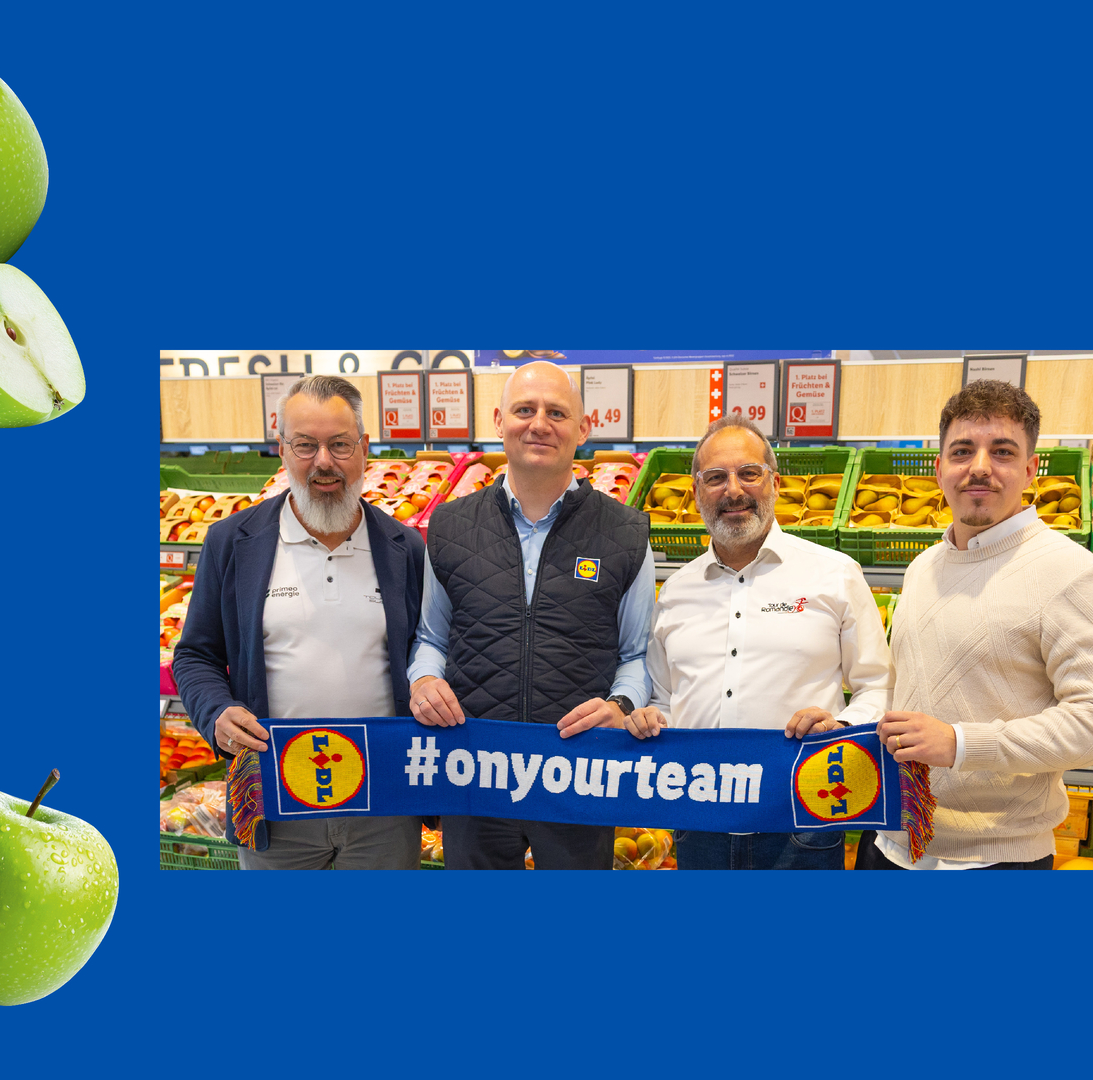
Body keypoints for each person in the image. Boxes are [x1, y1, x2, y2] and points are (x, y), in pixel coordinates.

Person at [593, 415, 890, 870]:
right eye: (716, 478)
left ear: (774, 483)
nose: (733, 490)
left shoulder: (834, 573)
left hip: (802, 817)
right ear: (695, 493)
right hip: (698, 818)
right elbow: (667, 698)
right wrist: (651, 718)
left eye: (748, 474)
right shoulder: (675, 591)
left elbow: (877, 686)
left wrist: (842, 727)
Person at [861, 380, 1093, 870]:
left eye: (1002, 451)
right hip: (890, 841)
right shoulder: (923, 566)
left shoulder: (1074, 573)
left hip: (996, 858)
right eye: (963, 451)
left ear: (1030, 470)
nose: (980, 467)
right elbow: (906, 693)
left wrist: (962, 743)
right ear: (940, 468)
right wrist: (841, 728)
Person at [170, 376, 430, 869]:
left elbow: (428, 647)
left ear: (365, 449)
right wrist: (216, 713)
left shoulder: (404, 548)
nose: (324, 462)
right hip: (272, 798)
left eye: (339, 444)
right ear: (282, 450)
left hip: (386, 799)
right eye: (306, 446)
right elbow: (196, 654)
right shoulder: (232, 541)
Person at [408, 361, 655, 869]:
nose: (539, 423)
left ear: (583, 429)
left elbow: (637, 653)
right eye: (525, 410)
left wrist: (622, 704)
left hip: (578, 773)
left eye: (557, 413)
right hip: (473, 769)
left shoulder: (626, 533)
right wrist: (423, 681)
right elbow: (431, 637)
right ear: (499, 421)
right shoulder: (451, 525)